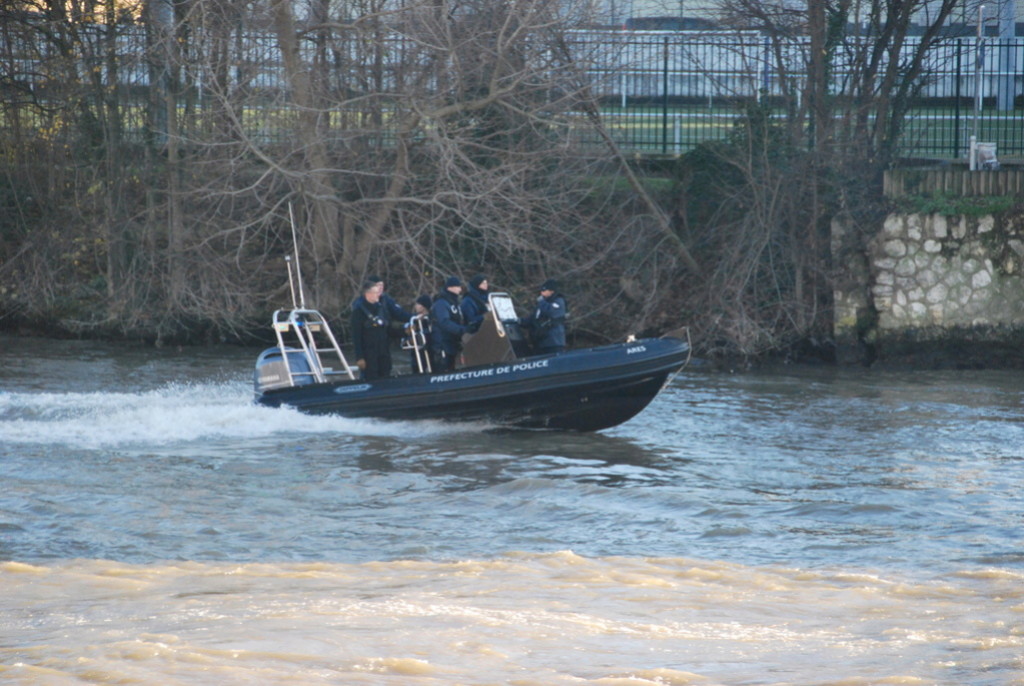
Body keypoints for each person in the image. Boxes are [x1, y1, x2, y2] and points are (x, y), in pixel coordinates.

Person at [350, 279, 393, 380]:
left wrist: (405, 331)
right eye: (376, 292)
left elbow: (389, 330)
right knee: (371, 377)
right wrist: (359, 357)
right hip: (369, 354)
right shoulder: (358, 313)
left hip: (383, 352)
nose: (378, 295)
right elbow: (356, 336)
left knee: (386, 375)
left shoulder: (382, 309)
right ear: (368, 294)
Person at [429, 276, 467, 372]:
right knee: (444, 368)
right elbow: (444, 322)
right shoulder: (441, 303)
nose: (460, 289)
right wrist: (461, 330)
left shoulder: (455, 303)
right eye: (458, 286)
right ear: (450, 288)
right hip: (442, 344)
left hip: (452, 343)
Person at [522, 278, 567, 355]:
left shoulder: (558, 301)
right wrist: (519, 321)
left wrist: (542, 302)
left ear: (551, 291)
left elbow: (550, 312)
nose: (541, 293)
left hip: (553, 342)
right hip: (541, 341)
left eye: (544, 290)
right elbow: (534, 318)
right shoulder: (541, 304)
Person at [405, 294, 432, 374]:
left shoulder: (430, 318)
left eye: (417, 304)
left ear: (423, 306)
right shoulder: (414, 319)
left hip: (428, 347)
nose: (415, 306)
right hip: (417, 349)